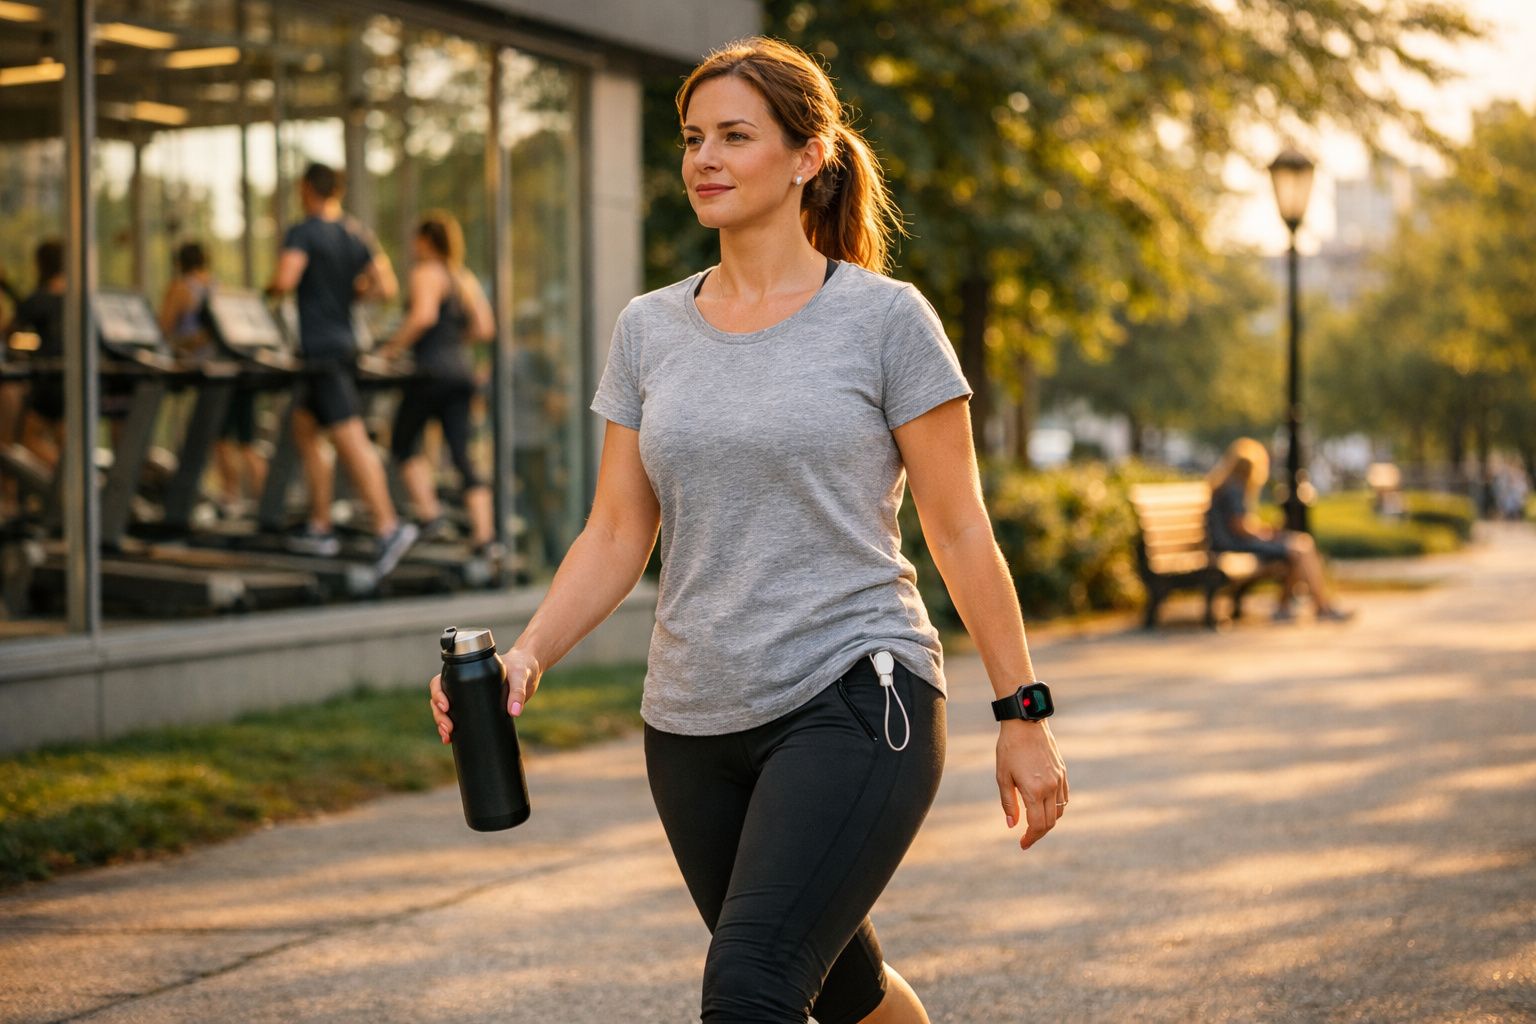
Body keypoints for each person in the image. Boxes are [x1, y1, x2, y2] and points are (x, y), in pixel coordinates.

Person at [429, 37, 1068, 1024]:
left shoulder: (885, 320)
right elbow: (613, 531)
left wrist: (1021, 712)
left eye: (736, 135)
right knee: (846, 990)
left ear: (808, 155)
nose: (704, 160)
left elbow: (959, 527)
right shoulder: (649, 328)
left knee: (752, 989)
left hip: (858, 694)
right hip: (689, 721)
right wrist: (528, 654)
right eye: (693, 139)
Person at [267, 162, 417, 575]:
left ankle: (389, 527)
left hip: (321, 351)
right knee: (304, 428)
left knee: (350, 438)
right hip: (343, 345)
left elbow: (285, 278)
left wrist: (270, 290)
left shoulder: (303, 232)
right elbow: (386, 286)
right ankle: (321, 525)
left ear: (305, 189)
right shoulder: (356, 233)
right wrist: (352, 290)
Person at [376, 211, 497, 554]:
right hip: (461, 372)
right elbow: (485, 327)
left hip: (429, 373)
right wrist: (455, 342)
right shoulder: (463, 278)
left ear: (426, 241)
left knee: (402, 442)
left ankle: (431, 516)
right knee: (462, 455)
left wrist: (390, 349)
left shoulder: (426, 272)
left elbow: (423, 315)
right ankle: (485, 537)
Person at [158, 241, 267, 512]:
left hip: (211, 372)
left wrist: (180, 348)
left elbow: (162, 329)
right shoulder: (218, 287)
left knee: (220, 439)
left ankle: (230, 497)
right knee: (247, 441)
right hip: (238, 367)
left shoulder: (181, 287)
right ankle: (264, 507)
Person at [1206, 437, 1353, 623]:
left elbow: (1240, 524)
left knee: (1299, 547)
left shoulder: (1228, 486)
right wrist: (1264, 534)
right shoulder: (1234, 488)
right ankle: (1321, 606)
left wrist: (1265, 531)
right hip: (1233, 545)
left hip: (1233, 542)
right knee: (1299, 549)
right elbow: (1239, 527)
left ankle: (1289, 606)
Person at [2, 240, 66, 473]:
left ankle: (65, 480)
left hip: (48, 380)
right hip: (72, 380)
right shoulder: (77, 298)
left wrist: (24, 345)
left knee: (25, 438)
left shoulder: (38, 299)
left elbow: (9, 334)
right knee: (65, 439)